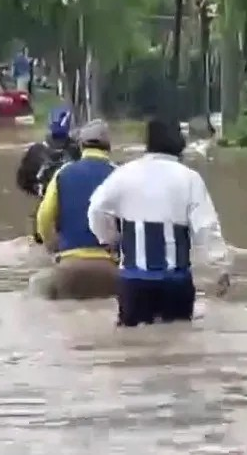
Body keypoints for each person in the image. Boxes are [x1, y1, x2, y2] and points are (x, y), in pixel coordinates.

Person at [87, 118, 227, 326]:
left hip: (134, 282)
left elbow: (96, 208)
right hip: (175, 282)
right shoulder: (189, 179)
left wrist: (108, 239)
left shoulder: (124, 174)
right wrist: (220, 268)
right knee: (178, 346)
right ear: (180, 143)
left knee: (131, 348)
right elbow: (206, 228)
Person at [35, 119, 118, 300]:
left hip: (70, 265)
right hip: (110, 268)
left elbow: (43, 218)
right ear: (108, 147)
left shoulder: (63, 173)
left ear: (80, 145)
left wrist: (52, 247)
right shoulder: (120, 174)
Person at [16, 105, 81, 244]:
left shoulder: (35, 151)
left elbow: (22, 181)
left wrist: (39, 191)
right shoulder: (77, 150)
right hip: (72, 214)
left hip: (44, 211)